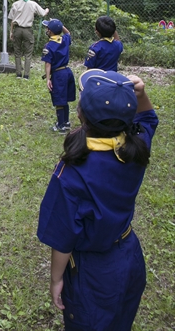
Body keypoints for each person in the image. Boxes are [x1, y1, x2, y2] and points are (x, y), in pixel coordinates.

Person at [37, 69, 158, 331]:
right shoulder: (137, 147)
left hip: (93, 271)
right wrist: (142, 94)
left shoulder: (70, 175)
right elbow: (148, 117)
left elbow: (63, 236)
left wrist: (56, 278)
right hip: (129, 255)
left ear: (79, 113)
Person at [8, 0, 49, 79]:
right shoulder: (33, 4)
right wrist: (46, 10)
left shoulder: (15, 4)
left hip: (17, 29)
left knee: (17, 52)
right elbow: (43, 14)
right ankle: (26, 75)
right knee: (28, 53)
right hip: (28, 30)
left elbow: (12, 20)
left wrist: (11, 31)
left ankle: (18, 73)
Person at [41, 19, 76, 133]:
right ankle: (66, 122)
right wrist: (61, 25)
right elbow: (68, 33)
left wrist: (47, 79)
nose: (46, 30)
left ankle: (61, 125)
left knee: (59, 99)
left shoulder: (49, 46)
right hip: (67, 72)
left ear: (50, 31)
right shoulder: (64, 40)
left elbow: (48, 64)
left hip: (58, 75)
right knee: (64, 98)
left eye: (47, 28)